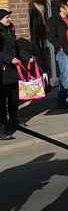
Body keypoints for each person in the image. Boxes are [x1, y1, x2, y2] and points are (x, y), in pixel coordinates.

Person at [47, 3, 68, 109]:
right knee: (65, 76)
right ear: (62, 9)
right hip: (63, 52)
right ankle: (61, 101)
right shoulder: (54, 20)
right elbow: (51, 36)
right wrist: (60, 46)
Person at [0, 9, 21, 140]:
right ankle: (3, 128)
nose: (9, 19)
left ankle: (14, 122)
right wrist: (9, 59)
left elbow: (16, 48)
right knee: (2, 102)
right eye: (7, 17)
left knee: (14, 99)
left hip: (12, 70)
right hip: (2, 70)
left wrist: (26, 57)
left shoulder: (10, 30)